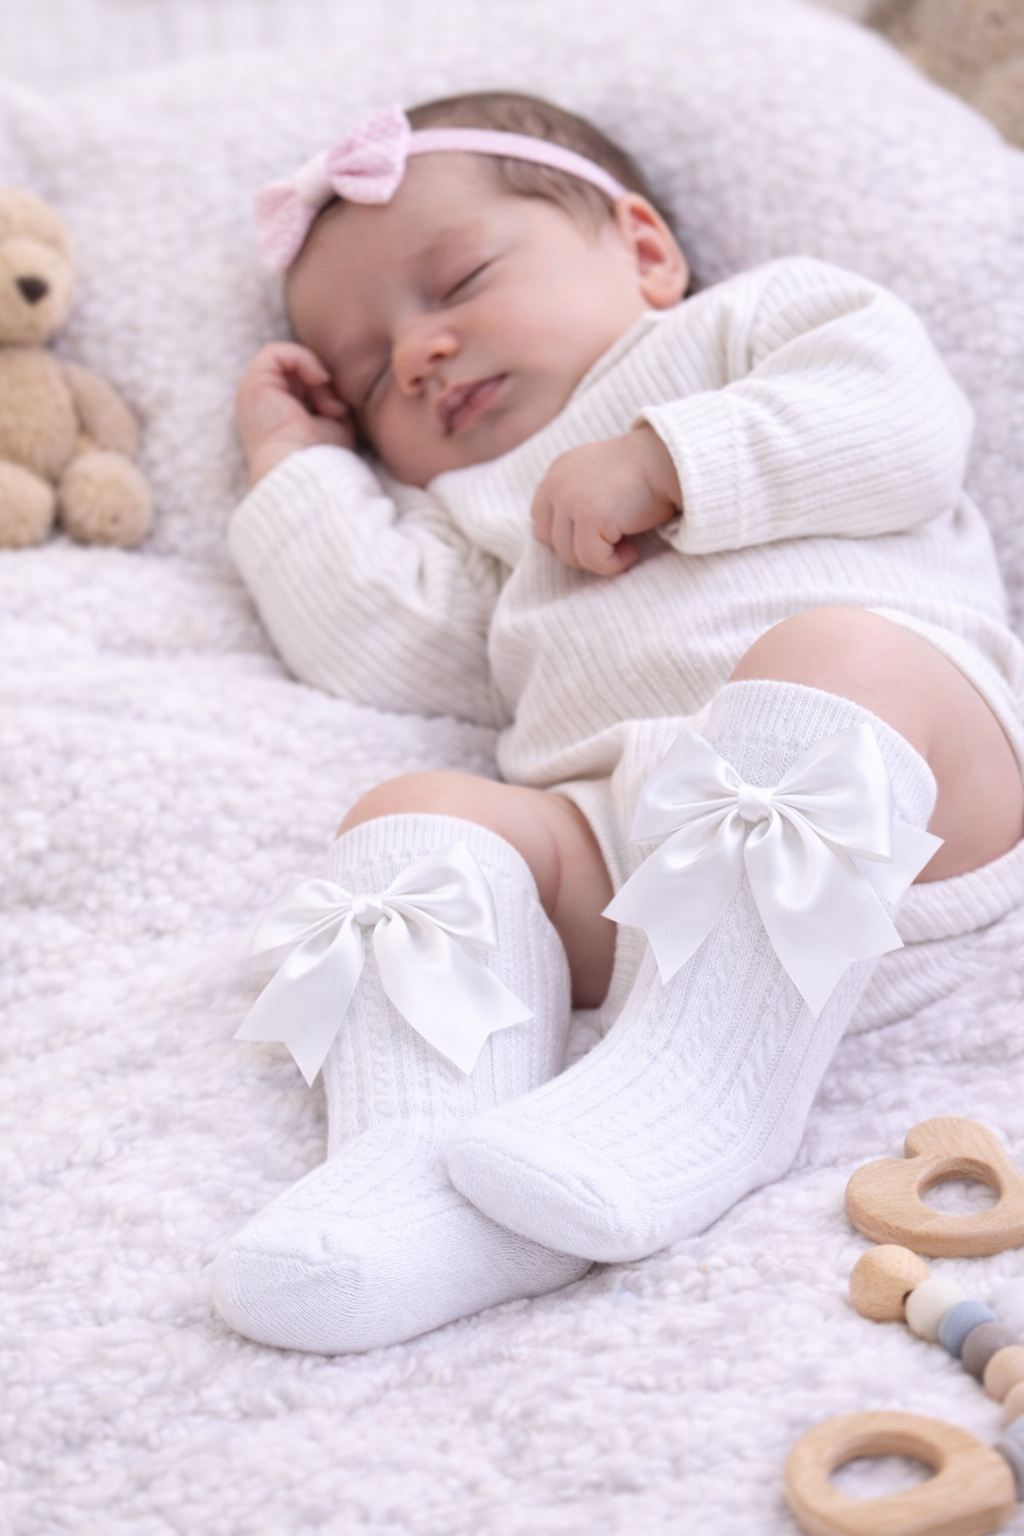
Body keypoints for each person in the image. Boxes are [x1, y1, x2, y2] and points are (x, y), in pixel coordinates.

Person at [213, 91, 1024, 1354]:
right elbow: (379, 641)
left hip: (915, 810)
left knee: (832, 652)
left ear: (643, 249)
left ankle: (701, 1096)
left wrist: (671, 459)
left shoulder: (754, 327)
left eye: (461, 278)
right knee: (410, 815)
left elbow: (902, 423)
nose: (418, 353)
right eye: (372, 376)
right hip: (631, 869)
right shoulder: (476, 507)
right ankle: (425, 1177)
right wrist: (294, 465)